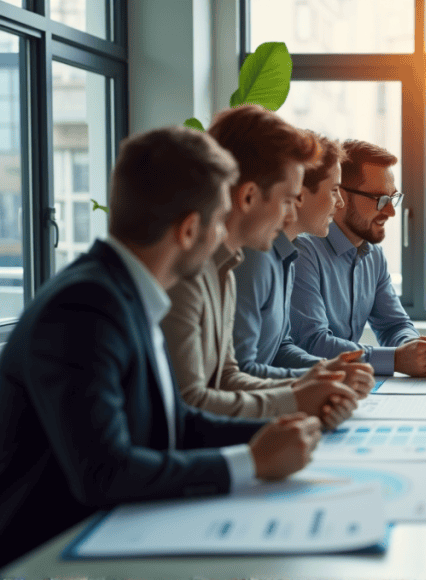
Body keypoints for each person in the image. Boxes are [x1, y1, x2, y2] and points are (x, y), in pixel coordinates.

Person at [0, 127, 324, 568]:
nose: (220, 240)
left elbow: (176, 423)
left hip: (111, 536)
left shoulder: (124, 291)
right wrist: (249, 461)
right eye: (217, 220)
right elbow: (105, 472)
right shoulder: (84, 308)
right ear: (190, 229)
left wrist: (280, 437)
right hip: (50, 557)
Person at [162, 105, 365, 427]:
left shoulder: (229, 266)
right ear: (249, 196)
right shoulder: (190, 273)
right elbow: (192, 402)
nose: (289, 215)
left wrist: (314, 385)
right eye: (288, 199)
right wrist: (300, 397)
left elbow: (227, 376)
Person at [290, 139, 426, 376]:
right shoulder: (303, 252)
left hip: (345, 383)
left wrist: (413, 348)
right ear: (341, 196)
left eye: (393, 198)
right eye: (380, 200)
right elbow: (312, 343)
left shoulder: (373, 254)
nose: (391, 212)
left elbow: (394, 324)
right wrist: (395, 359)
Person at [231, 133, 374, 396]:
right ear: (299, 193)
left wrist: (328, 369)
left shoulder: (288, 255)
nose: (340, 203)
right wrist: (318, 378)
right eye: (333, 191)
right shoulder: (256, 258)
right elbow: (240, 370)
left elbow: (280, 347)